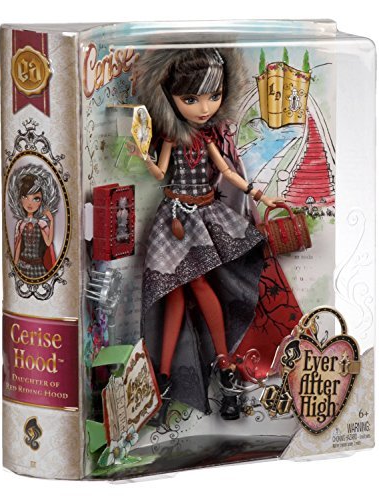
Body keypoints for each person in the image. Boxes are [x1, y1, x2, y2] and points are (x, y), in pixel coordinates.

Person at [133, 48, 283, 422]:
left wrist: (259, 194)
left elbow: (227, 172)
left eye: (213, 96)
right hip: (175, 220)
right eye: (191, 99)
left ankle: (221, 363)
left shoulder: (208, 135)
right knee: (175, 293)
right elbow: (160, 172)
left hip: (203, 216)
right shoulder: (173, 135)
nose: (204, 108)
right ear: (170, 98)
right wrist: (145, 156)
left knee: (197, 284)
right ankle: (167, 374)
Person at [8, 164, 60, 279]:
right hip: (22, 265)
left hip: (38, 267)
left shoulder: (41, 224)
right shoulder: (21, 224)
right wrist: (15, 266)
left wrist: (51, 221)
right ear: (20, 199)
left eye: (36, 198)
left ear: (41, 201)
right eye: (25, 197)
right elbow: (18, 246)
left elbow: (48, 242)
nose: (29, 203)